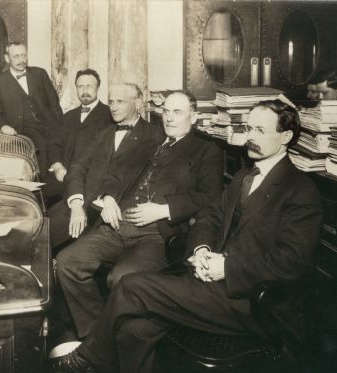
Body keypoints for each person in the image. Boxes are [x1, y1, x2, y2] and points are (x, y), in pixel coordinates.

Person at [52, 99, 323, 373]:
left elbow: (292, 262)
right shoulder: (242, 176)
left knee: (132, 285)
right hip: (213, 286)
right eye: (247, 127)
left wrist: (228, 266)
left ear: (286, 137)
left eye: (260, 130)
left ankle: (88, 360)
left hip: (252, 302)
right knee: (133, 329)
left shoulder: (301, 191)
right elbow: (210, 216)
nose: (249, 136)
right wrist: (202, 248)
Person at [55, 90, 224, 341]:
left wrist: (163, 210)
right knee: (67, 262)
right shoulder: (149, 140)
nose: (169, 118)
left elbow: (210, 197)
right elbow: (115, 174)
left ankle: (107, 344)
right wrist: (110, 198)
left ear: (194, 116)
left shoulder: (206, 151)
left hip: (156, 235)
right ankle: (97, 339)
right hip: (117, 224)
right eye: (166, 111)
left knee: (121, 278)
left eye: (177, 112)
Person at [0, 41, 64, 204]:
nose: (21, 60)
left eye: (23, 55)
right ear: (7, 59)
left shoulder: (39, 74)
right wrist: (3, 125)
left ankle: (61, 199)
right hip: (22, 131)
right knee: (39, 149)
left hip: (49, 126)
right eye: (16, 56)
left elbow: (54, 103)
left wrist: (59, 125)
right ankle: (40, 202)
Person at [47, 69, 114, 249]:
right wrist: (57, 165)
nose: (84, 90)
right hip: (61, 179)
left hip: (87, 184)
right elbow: (53, 144)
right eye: (80, 86)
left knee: (55, 225)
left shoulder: (110, 116)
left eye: (89, 86)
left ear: (98, 88)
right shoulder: (68, 116)